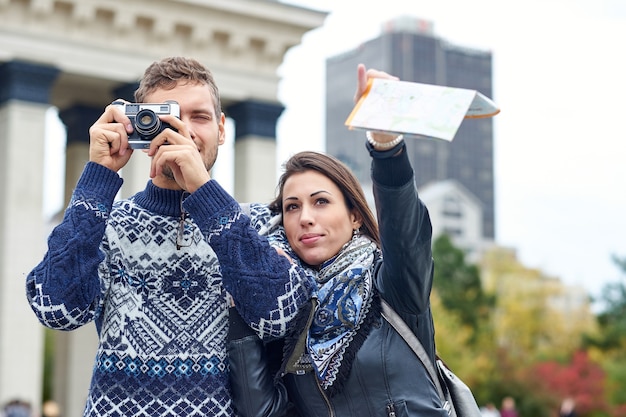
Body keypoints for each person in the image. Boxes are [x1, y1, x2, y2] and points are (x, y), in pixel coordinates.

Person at [25, 56, 313, 417]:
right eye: (167, 117)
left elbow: (279, 316)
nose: (183, 131)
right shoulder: (107, 221)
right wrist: (98, 177)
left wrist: (203, 193)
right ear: (138, 129)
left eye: (200, 117)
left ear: (222, 128)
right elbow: (57, 310)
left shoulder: (260, 222)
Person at [225, 64, 449, 416]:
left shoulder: (393, 285)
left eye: (321, 201)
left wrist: (387, 145)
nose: (305, 217)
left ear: (355, 215)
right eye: (292, 207)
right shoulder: (283, 309)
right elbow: (262, 410)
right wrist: (241, 302)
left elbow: (405, 232)